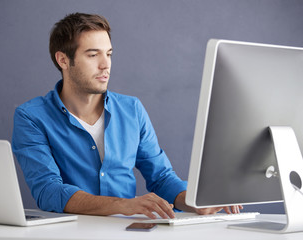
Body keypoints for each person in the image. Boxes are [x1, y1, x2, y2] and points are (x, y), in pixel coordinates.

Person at [12, 12, 242, 219]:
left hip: (126, 232)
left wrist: (195, 201)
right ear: (63, 60)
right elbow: (48, 191)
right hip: (70, 232)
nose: (105, 65)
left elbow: (161, 177)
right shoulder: (31, 117)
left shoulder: (132, 109)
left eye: (109, 54)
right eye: (93, 55)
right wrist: (123, 205)